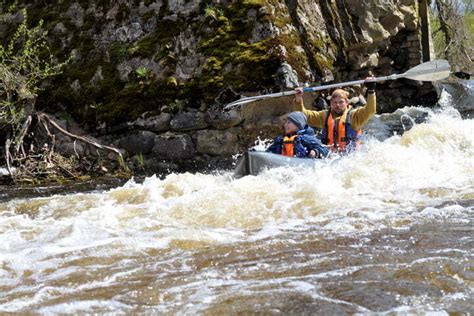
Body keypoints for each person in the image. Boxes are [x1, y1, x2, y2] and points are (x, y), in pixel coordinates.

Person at [294, 79, 376, 152]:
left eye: (341, 102)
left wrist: (371, 91)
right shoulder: (324, 116)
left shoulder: (354, 116)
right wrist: (298, 99)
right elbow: (303, 115)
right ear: (330, 103)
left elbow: (370, 110)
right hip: (331, 156)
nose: (337, 105)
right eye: (334, 102)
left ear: (347, 102)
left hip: (351, 156)